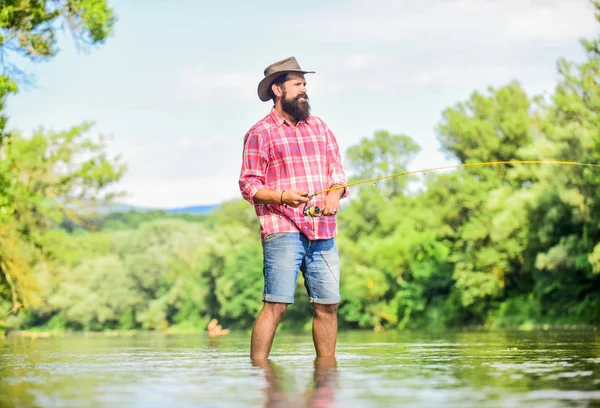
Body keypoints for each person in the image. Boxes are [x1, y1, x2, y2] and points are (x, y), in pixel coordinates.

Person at [239, 56, 348, 360]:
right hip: (281, 229)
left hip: (322, 231)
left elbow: (337, 173)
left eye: (305, 85)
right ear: (277, 89)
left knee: (328, 306)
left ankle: (326, 375)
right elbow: (249, 185)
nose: (304, 90)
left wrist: (333, 196)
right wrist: (283, 196)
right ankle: (259, 374)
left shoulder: (320, 128)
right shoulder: (260, 133)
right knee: (276, 304)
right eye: (297, 85)